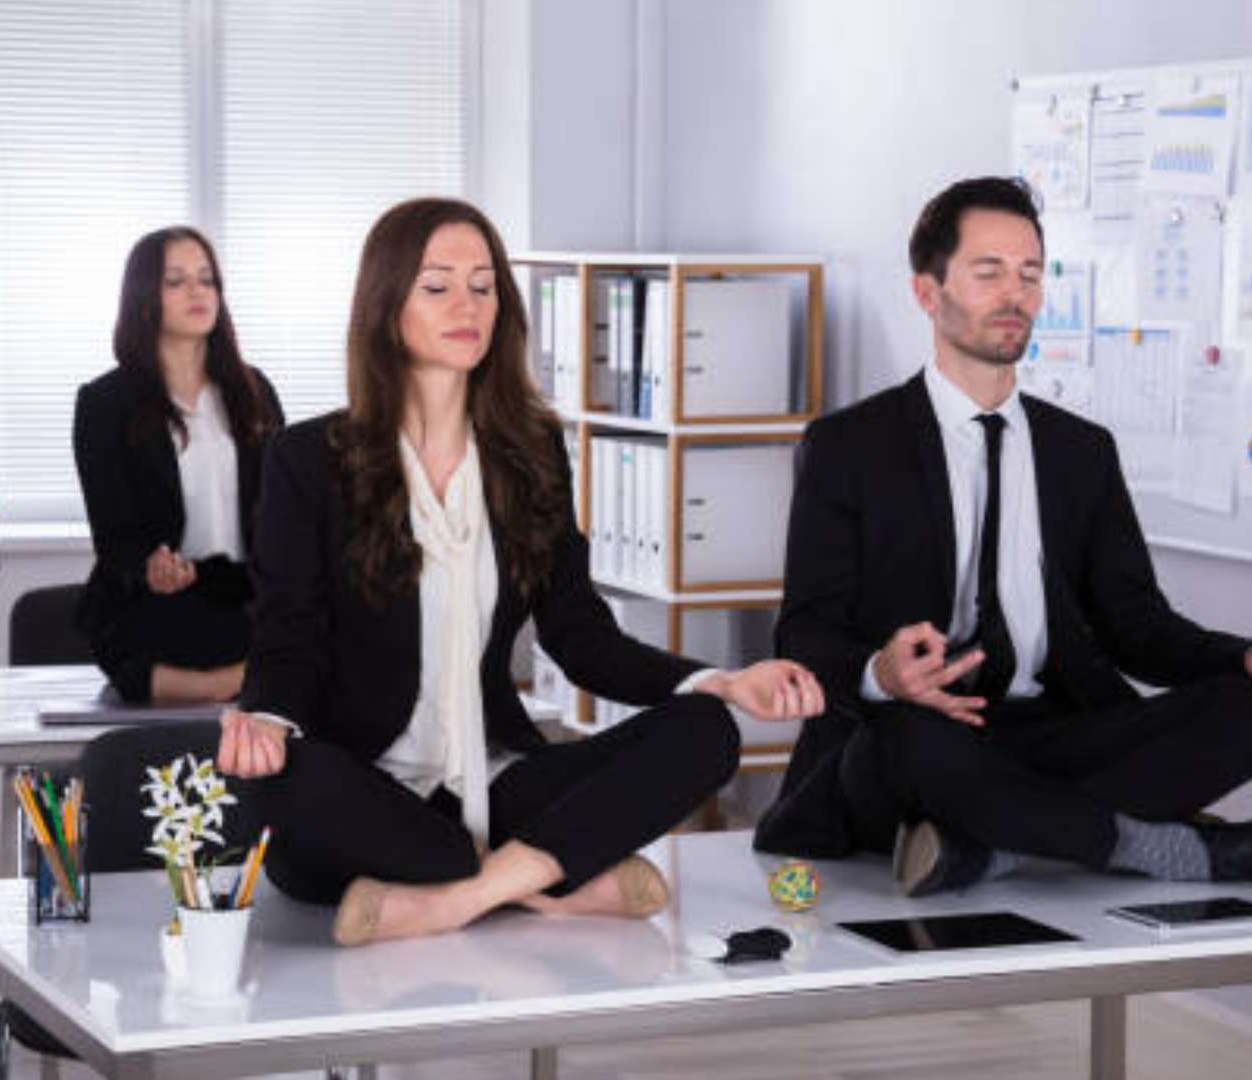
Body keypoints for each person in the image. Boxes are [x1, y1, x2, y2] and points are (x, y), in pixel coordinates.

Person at [215, 197, 825, 946]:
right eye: (437, 286)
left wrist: (720, 681)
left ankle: (453, 899)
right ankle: (550, 883)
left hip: (494, 782)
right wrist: (266, 722)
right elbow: (290, 637)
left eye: (484, 284)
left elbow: (580, 636)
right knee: (278, 783)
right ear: (386, 305)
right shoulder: (308, 460)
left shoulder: (530, 451)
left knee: (706, 731)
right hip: (367, 786)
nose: (467, 305)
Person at [754, 176, 1252, 895]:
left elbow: (1137, 627)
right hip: (911, 735)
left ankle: (993, 845)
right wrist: (882, 673)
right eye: (988, 273)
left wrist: (1250, 657)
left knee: (1251, 716)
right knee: (918, 740)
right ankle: (1177, 849)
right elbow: (804, 632)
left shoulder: (1081, 452)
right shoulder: (849, 446)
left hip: (1050, 731)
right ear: (928, 292)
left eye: (1030, 275)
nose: (1015, 294)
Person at [73, 228, 283, 704]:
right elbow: (114, 535)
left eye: (207, 279)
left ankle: (196, 683)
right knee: (162, 629)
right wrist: (151, 567)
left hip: (239, 590)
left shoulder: (255, 392)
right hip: (159, 597)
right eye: (177, 281)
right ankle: (236, 680)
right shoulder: (105, 402)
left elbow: (281, 509)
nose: (197, 291)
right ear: (145, 296)